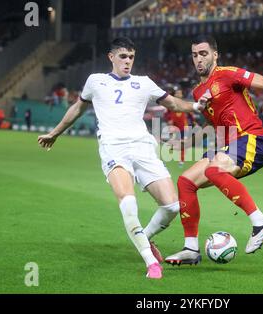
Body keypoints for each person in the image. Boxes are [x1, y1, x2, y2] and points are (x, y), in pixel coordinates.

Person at [37, 37, 207, 279]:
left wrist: (195, 107)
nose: (128, 61)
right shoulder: (96, 81)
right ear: (111, 57)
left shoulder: (144, 83)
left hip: (143, 147)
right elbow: (78, 108)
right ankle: (150, 262)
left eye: (131, 57)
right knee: (129, 204)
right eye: (123, 56)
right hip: (113, 149)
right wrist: (55, 133)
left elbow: (172, 103)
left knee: (171, 206)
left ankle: (144, 237)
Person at [165, 35, 263, 265]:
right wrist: (186, 143)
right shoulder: (197, 92)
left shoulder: (228, 73)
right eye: (194, 55)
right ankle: (191, 249)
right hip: (229, 144)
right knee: (185, 182)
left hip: (252, 138)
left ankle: (260, 222)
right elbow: (210, 125)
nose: (199, 59)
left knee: (214, 170)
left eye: (204, 53)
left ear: (215, 54)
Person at [164, 85, 195, 168]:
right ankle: (168, 157)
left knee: (182, 144)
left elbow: (191, 115)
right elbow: (166, 114)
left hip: (183, 127)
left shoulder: (185, 104)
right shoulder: (171, 104)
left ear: (182, 95)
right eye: (177, 93)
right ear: (175, 95)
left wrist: (193, 123)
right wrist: (168, 120)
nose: (178, 95)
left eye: (180, 93)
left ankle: (181, 160)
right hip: (174, 127)